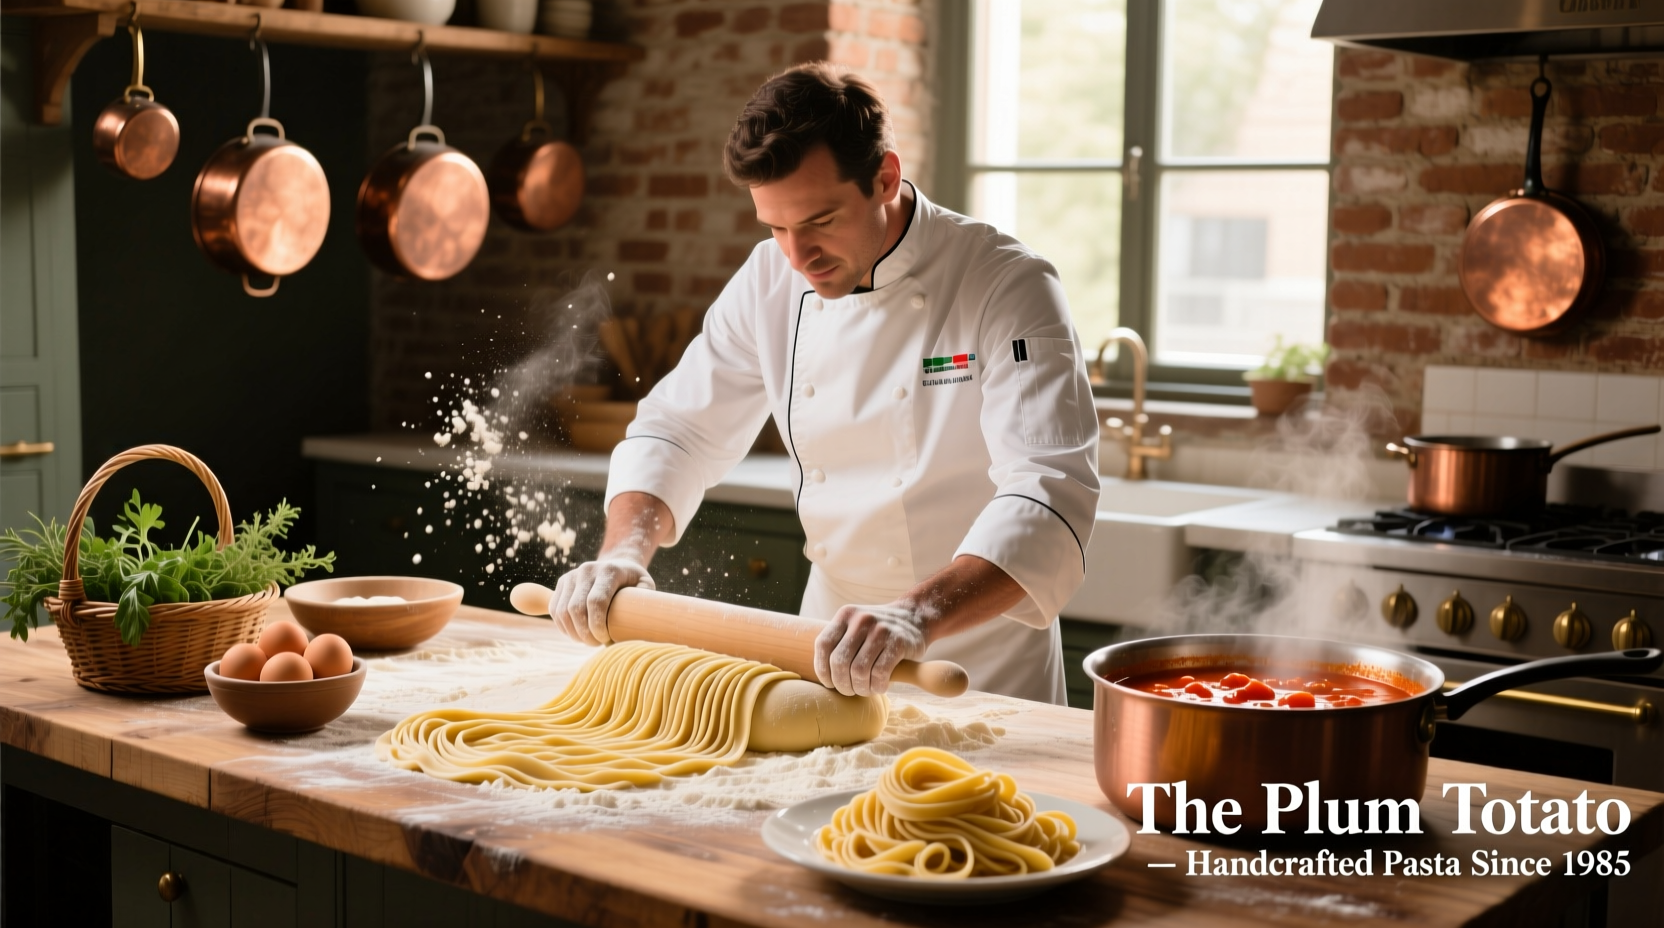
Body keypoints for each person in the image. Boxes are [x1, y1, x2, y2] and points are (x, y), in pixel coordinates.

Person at [547, 63, 1098, 704]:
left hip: (979, 658)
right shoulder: (769, 280)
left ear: (885, 177)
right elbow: (680, 427)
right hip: (828, 648)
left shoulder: (1007, 284)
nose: (797, 257)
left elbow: (1050, 487)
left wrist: (915, 615)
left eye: (820, 221)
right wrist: (624, 552)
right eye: (775, 228)